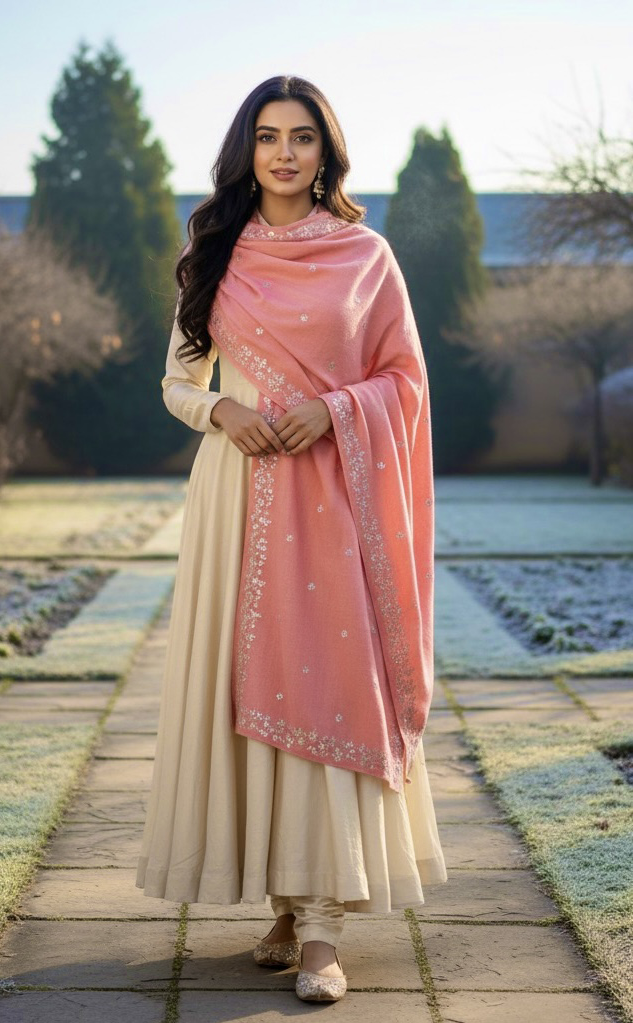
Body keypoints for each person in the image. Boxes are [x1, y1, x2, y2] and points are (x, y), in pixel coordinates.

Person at [135, 74, 448, 1003]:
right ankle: (283, 900)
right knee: (243, 698)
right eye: (267, 136)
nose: (283, 152)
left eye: (301, 137)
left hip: (330, 493)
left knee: (327, 690)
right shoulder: (215, 251)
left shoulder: (366, 255)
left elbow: (406, 379)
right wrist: (223, 408)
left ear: (326, 150)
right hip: (236, 497)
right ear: (247, 149)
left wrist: (334, 409)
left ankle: (323, 933)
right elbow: (177, 381)